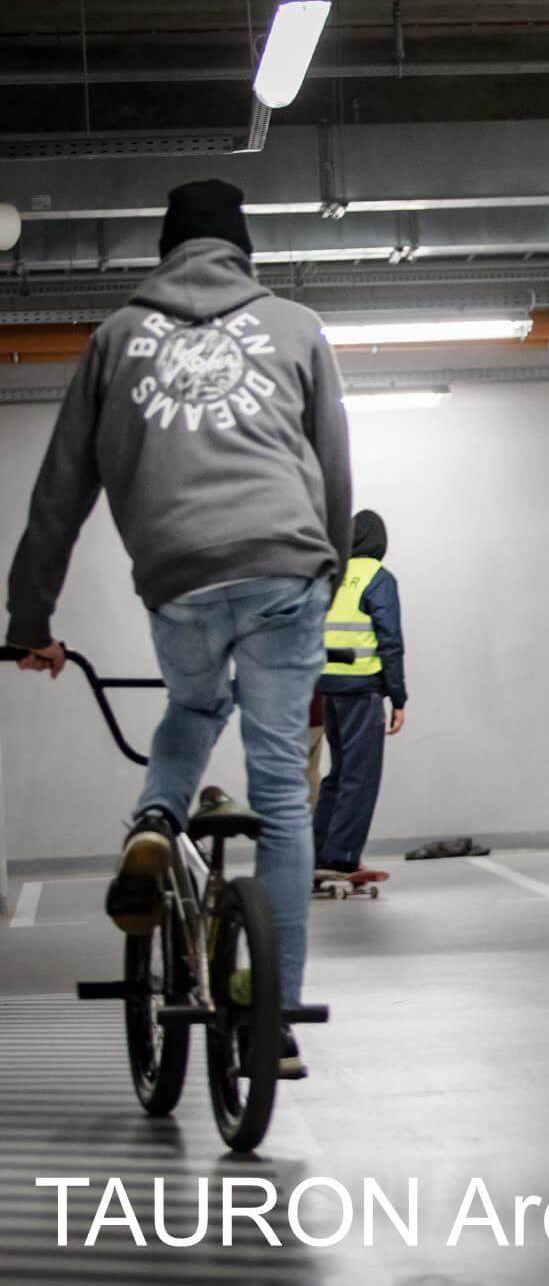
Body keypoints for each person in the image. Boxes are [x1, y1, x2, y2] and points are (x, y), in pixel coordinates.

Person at [6, 179, 351, 1078]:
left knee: (194, 707)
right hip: (285, 566)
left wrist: (30, 619)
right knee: (281, 792)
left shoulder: (115, 337)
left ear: (165, 253)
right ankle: (273, 1016)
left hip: (179, 573)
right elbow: (333, 465)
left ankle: (156, 816)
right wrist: (329, 568)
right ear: (243, 251)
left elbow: (59, 491)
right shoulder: (297, 327)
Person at [313, 509, 406, 879]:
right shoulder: (378, 578)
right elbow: (390, 640)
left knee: (337, 774)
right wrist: (398, 697)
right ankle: (342, 857)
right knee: (360, 776)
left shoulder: (332, 577)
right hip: (362, 687)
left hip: (327, 686)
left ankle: (318, 853)